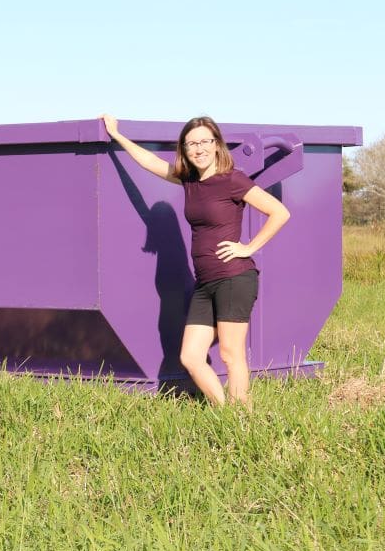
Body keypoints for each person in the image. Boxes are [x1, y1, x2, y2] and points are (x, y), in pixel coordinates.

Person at [100, 114, 290, 407]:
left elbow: (279, 212)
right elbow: (150, 162)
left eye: (204, 142)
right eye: (191, 144)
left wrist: (248, 248)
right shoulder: (189, 181)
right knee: (190, 356)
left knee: (231, 354)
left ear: (216, 145)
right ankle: (225, 412)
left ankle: (243, 418)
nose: (198, 149)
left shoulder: (232, 180)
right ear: (184, 149)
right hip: (205, 283)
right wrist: (117, 135)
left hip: (233, 278)